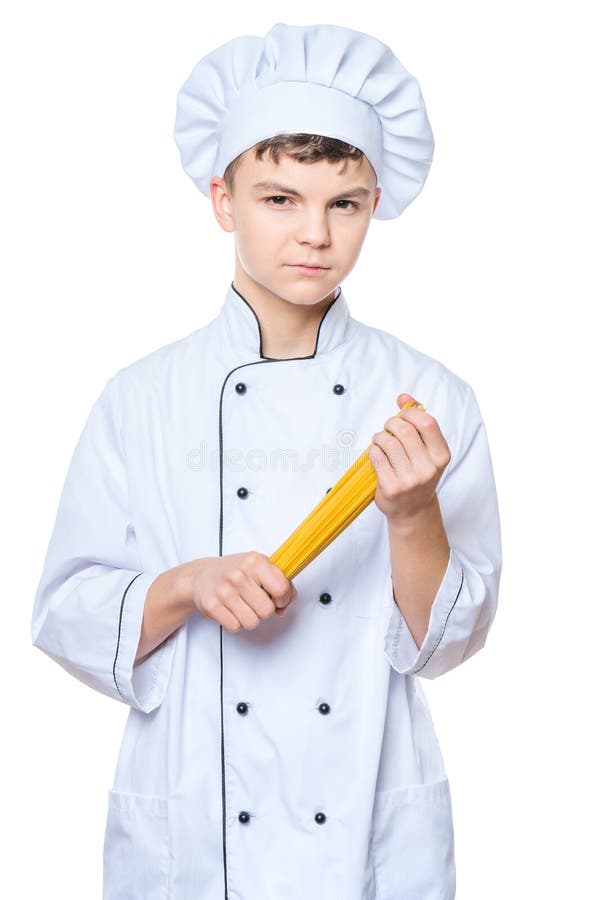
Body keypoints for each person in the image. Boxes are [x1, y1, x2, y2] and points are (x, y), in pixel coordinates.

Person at [31, 21, 502, 900]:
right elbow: (63, 613)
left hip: (366, 828)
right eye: (279, 199)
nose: (315, 235)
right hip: (196, 835)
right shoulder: (142, 399)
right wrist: (185, 584)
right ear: (222, 199)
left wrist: (412, 515)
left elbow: (452, 644)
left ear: (374, 203)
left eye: (345, 202)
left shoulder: (428, 399)